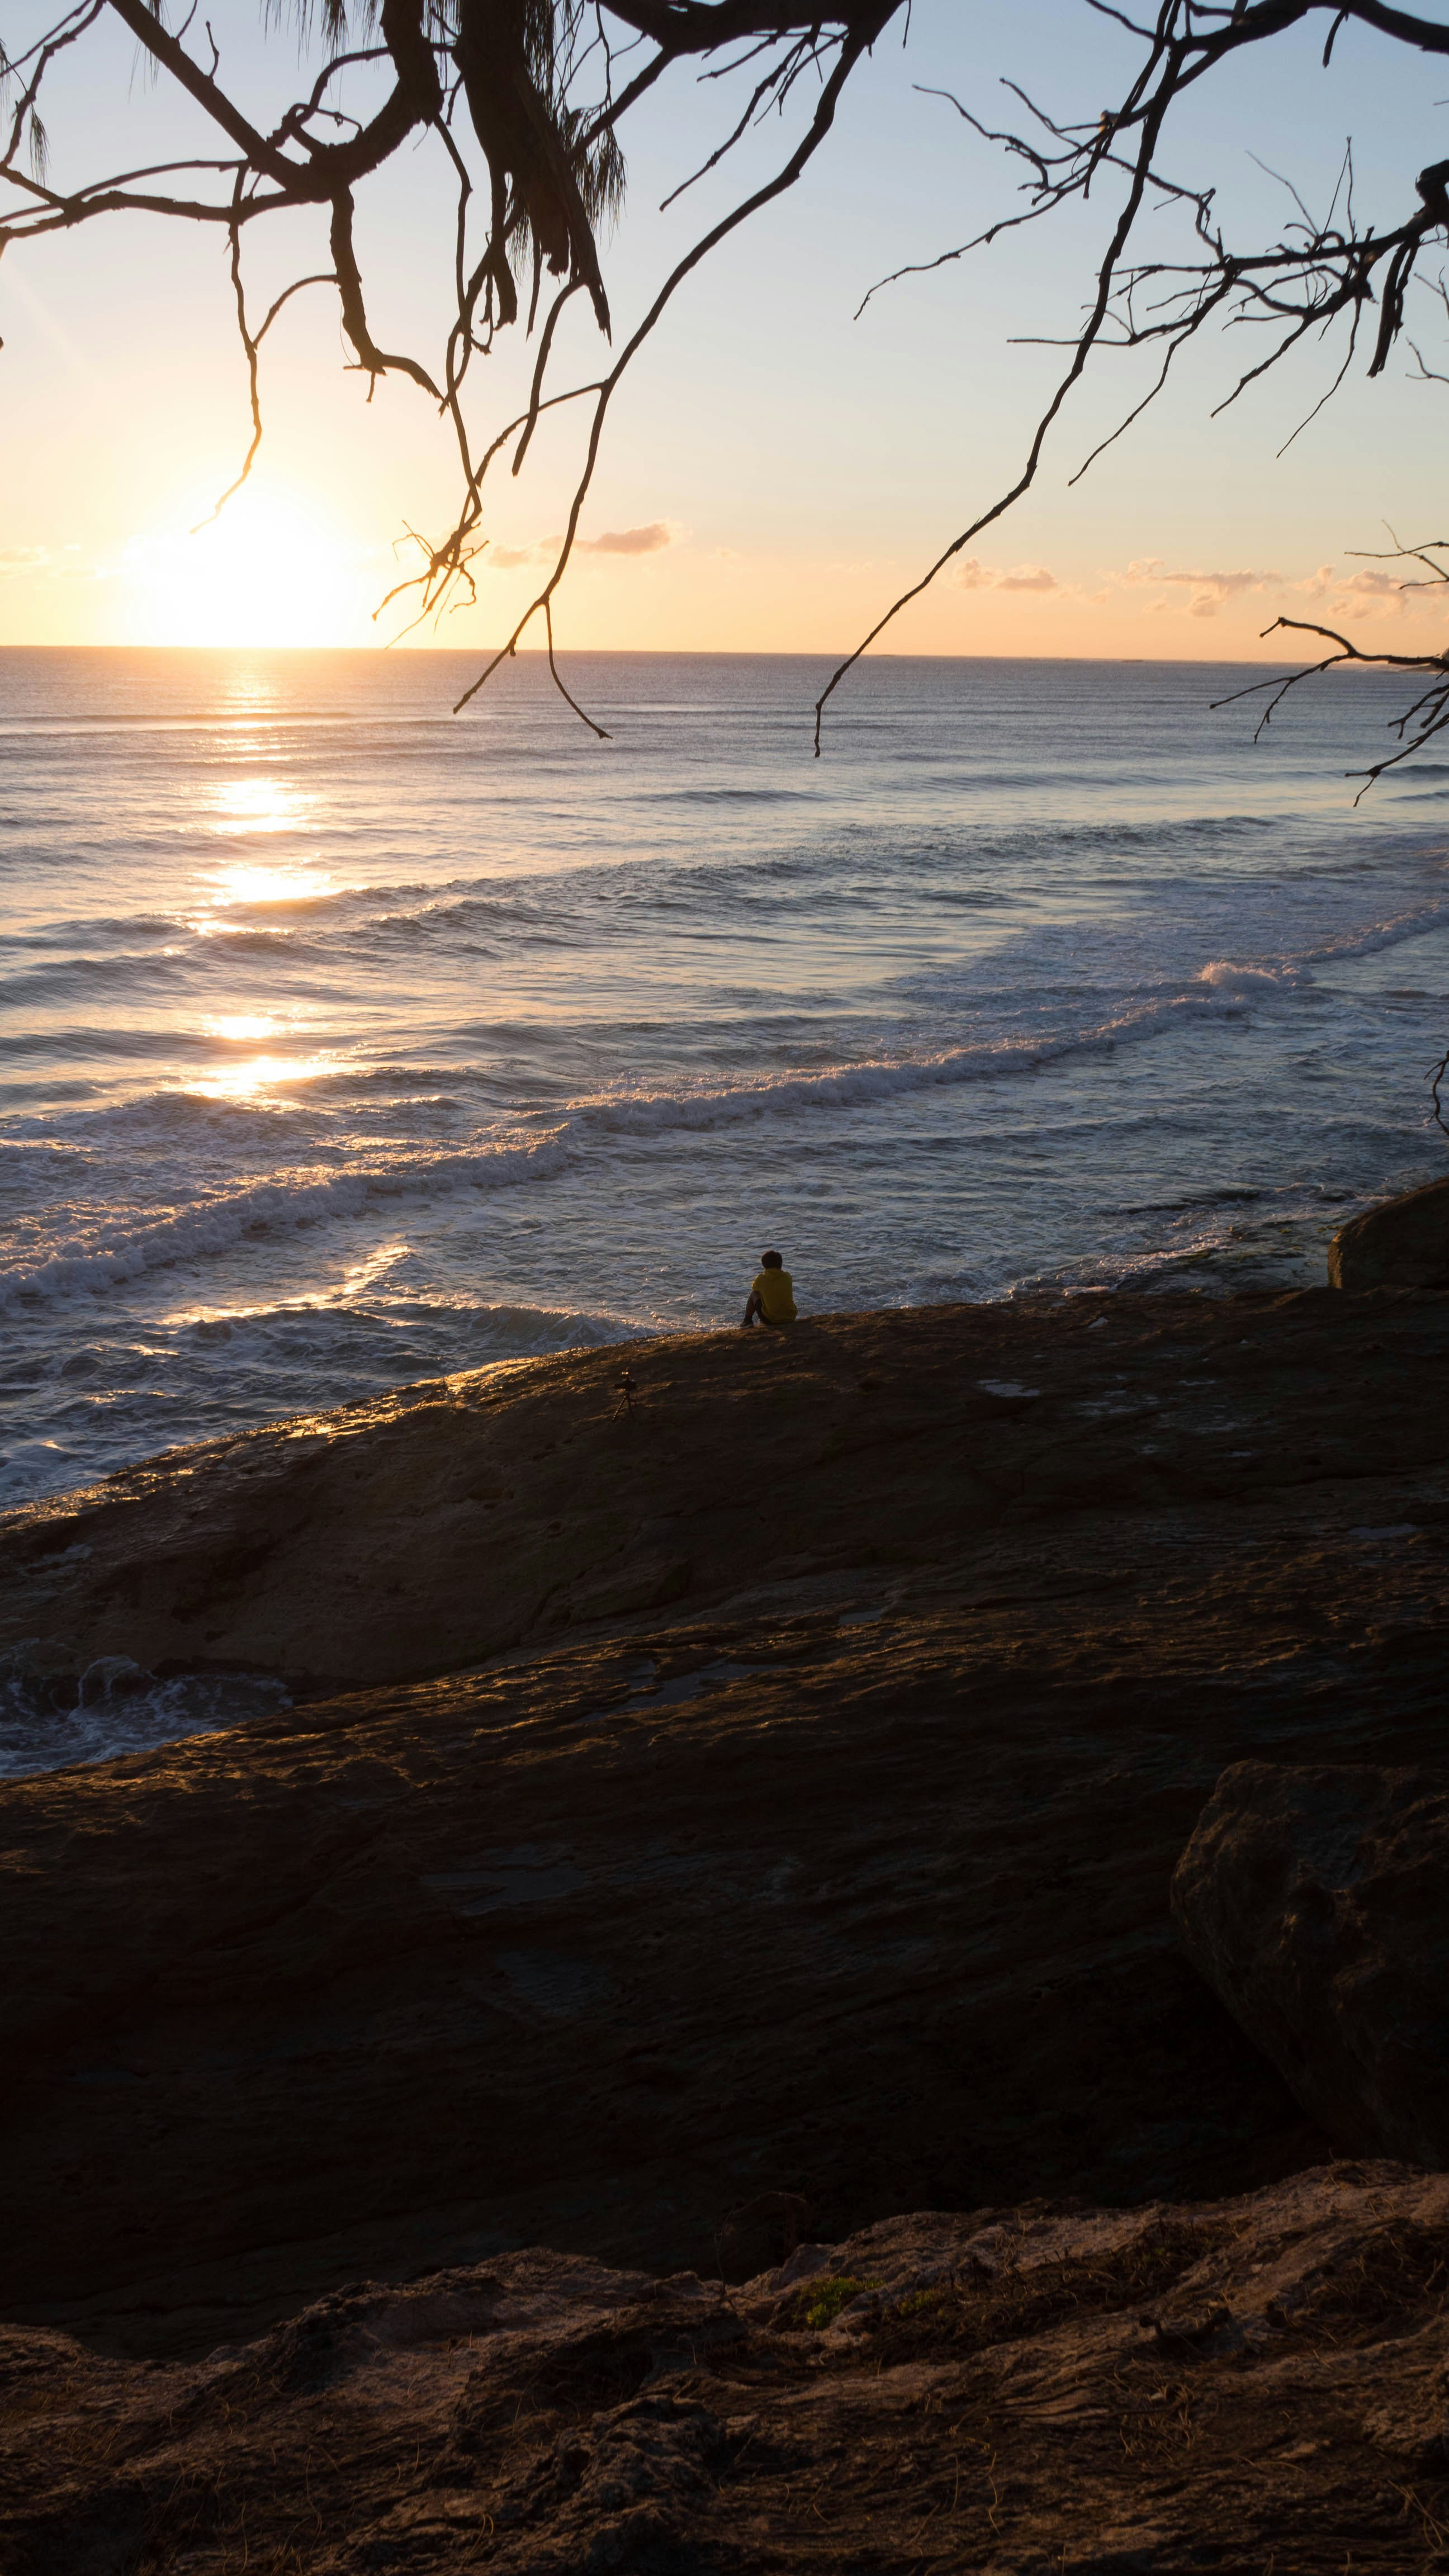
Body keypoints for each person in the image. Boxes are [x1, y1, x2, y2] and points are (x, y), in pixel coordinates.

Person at [742, 1249, 797, 1330]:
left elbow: (754, 1289)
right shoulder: (787, 1277)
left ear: (764, 1265)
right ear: (781, 1264)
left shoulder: (761, 1279)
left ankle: (747, 1321)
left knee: (754, 1294)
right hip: (790, 1317)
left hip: (772, 1320)